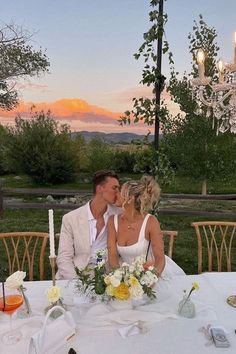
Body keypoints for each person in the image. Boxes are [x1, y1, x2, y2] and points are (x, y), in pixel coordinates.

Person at [107, 176, 185, 277]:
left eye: (120, 192)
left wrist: (150, 279)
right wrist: (118, 278)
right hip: (126, 274)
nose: (115, 194)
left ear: (130, 198)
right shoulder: (112, 221)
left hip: (154, 272)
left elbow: (160, 259)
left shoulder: (150, 222)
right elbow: (112, 255)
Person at [56, 170, 120, 279]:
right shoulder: (70, 218)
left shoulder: (120, 215)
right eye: (115, 188)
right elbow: (64, 258)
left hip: (107, 277)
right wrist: (77, 282)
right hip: (75, 275)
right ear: (100, 188)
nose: (118, 193)